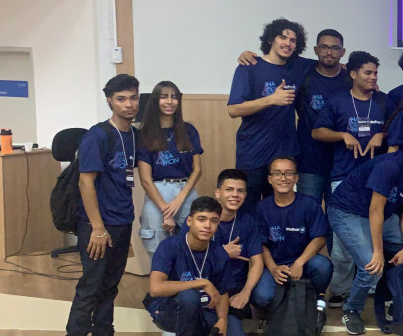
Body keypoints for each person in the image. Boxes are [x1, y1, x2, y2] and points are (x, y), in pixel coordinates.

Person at [327, 124, 403, 334]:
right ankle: (352, 310)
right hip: (348, 211)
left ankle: (394, 296)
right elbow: (375, 209)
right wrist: (378, 252)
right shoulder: (390, 166)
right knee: (371, 265)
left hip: (380, 215)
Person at [66, 74, 140, 336]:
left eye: (133, 98)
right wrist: (97, 228)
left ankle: (103, 331)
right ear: (110, 101)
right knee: (91, 285)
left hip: (122, 220)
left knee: (110, 285)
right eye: (121, 99)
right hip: (98, 224)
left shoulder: (134, 135)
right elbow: (85, 182)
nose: (128, 104)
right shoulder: (98, 135)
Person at [227, 18, 307, 210]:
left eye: (293, 40)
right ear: (271, 39)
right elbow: (233, 109)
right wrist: (271, 99)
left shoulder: (298, 67)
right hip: (252, 154)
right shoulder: (249, 66)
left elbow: (329, 65)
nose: (287, 43)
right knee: (248, 210)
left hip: (283, 155)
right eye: (282, 37)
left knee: (279, 209)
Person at [251, 156, 333, 325]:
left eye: (289, 173)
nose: (283, 178)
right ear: (270, 179)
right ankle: (278, 306)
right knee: (262, 297)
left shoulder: (309, 204)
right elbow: (260, 244)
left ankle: (314, 300)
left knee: (323, 266)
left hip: (303, 261)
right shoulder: (261, 208)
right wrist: (273, 268)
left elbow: (320, 238)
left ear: (296, 178)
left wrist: (299, 263)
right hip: (273, 264)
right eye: (277, 173)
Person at [146, 197, 242, 336]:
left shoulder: (219, 253)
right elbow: (156, 289)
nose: (207, 225)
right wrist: (201, 283)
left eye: (213, 221)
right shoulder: (169, 246)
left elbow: (222, 292)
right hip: (169, 308)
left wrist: (222, 319)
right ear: (189, 221)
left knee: (233, 327)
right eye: (201, 219)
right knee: (189, 296)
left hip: (205, 309)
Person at [137, 80, 203, 254]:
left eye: (174, 97)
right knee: (158, 250)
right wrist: (166, 211)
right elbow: (145, 179)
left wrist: (180, 199)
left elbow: (197, 170)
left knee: (192, 245)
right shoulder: (145, 134)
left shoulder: (188, 130)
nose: (169, 101)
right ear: (155, 101)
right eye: (163, 97)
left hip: (186, 191)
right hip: (158, 192)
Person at [312, 51, 395, 187]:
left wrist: (381, 135)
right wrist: (343, 135)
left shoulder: (384, 100)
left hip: (375, 177)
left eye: (375, 73)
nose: (373, 77)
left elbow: (397, 130)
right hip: (344, 176)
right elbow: (317, 132)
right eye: (368, 73)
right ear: (353, 74)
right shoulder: (338, 101)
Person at [293, 29, 351, 201]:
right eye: (324, 47)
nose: (329, 52)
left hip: (341, 163)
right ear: (316, 50)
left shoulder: (350, 79)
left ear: (342, 52)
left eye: (335, 48)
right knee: (308, 211)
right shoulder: (304, 76)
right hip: (309, 161)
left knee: (338, 212)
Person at [208, 169, 263, 316]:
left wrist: (246, 292)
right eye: (229, 190)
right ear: (218, 193)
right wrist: (223, 253)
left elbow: (257, 262)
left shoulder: (248, 222)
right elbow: (187, 258)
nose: (235, 195)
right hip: (204, 285)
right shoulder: (201, 218)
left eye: (240, 191)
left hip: (234, 289)